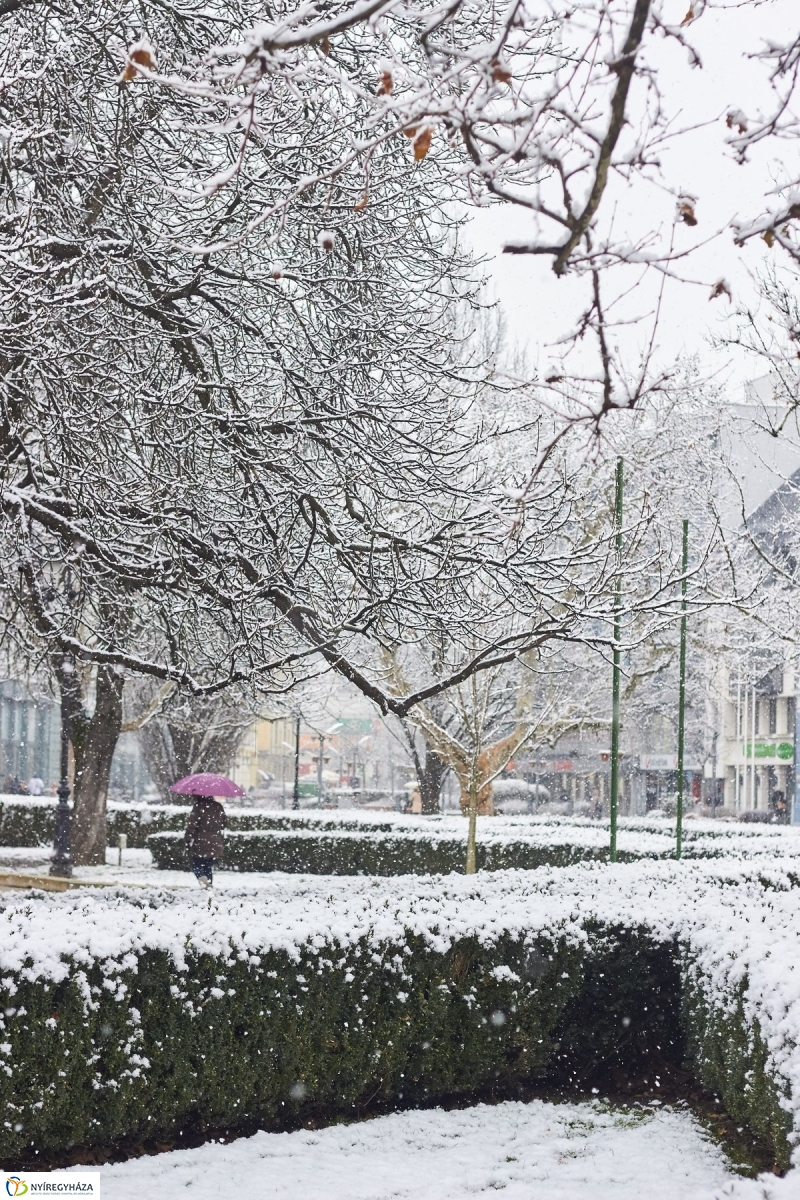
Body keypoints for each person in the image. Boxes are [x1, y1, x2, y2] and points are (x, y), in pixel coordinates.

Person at [184, 792, 226, 887]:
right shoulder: (218, 806)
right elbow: (225, 823)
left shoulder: (198, 807)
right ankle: (209, 885)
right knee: (208, 865)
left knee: (196, 864)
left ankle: (202, 877)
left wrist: (187, 838)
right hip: (215, 840)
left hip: (201, 840)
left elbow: (192, 825)